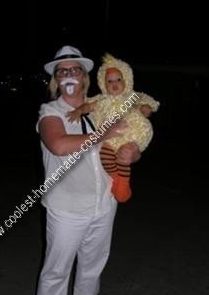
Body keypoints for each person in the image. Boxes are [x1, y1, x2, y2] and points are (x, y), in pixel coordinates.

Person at [33, 46, 141, 295]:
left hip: (103, 202)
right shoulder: (50, 112)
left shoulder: (103, 106)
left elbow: (128, 143)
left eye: (75, 69)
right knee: (57, 265)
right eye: (62, 71)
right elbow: (59, 145)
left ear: (85, 77)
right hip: (66, 206)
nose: (69, 75)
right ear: (56, 79)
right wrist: (103, 134)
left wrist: (132, 155)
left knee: (94, 261)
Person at [66, 53, 160, 202]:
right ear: (103, 84)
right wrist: (78, 110)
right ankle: (117, 179)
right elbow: (88, 106)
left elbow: (147, 104)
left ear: (127, 80)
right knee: (105, 153)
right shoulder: (102, 100)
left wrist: (145, 108)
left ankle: (123, 182)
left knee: (124, 154)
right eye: (109, 81)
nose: (114, 83)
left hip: (132, 135)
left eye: (118, 79)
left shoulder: (132, 97)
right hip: (110, 139)